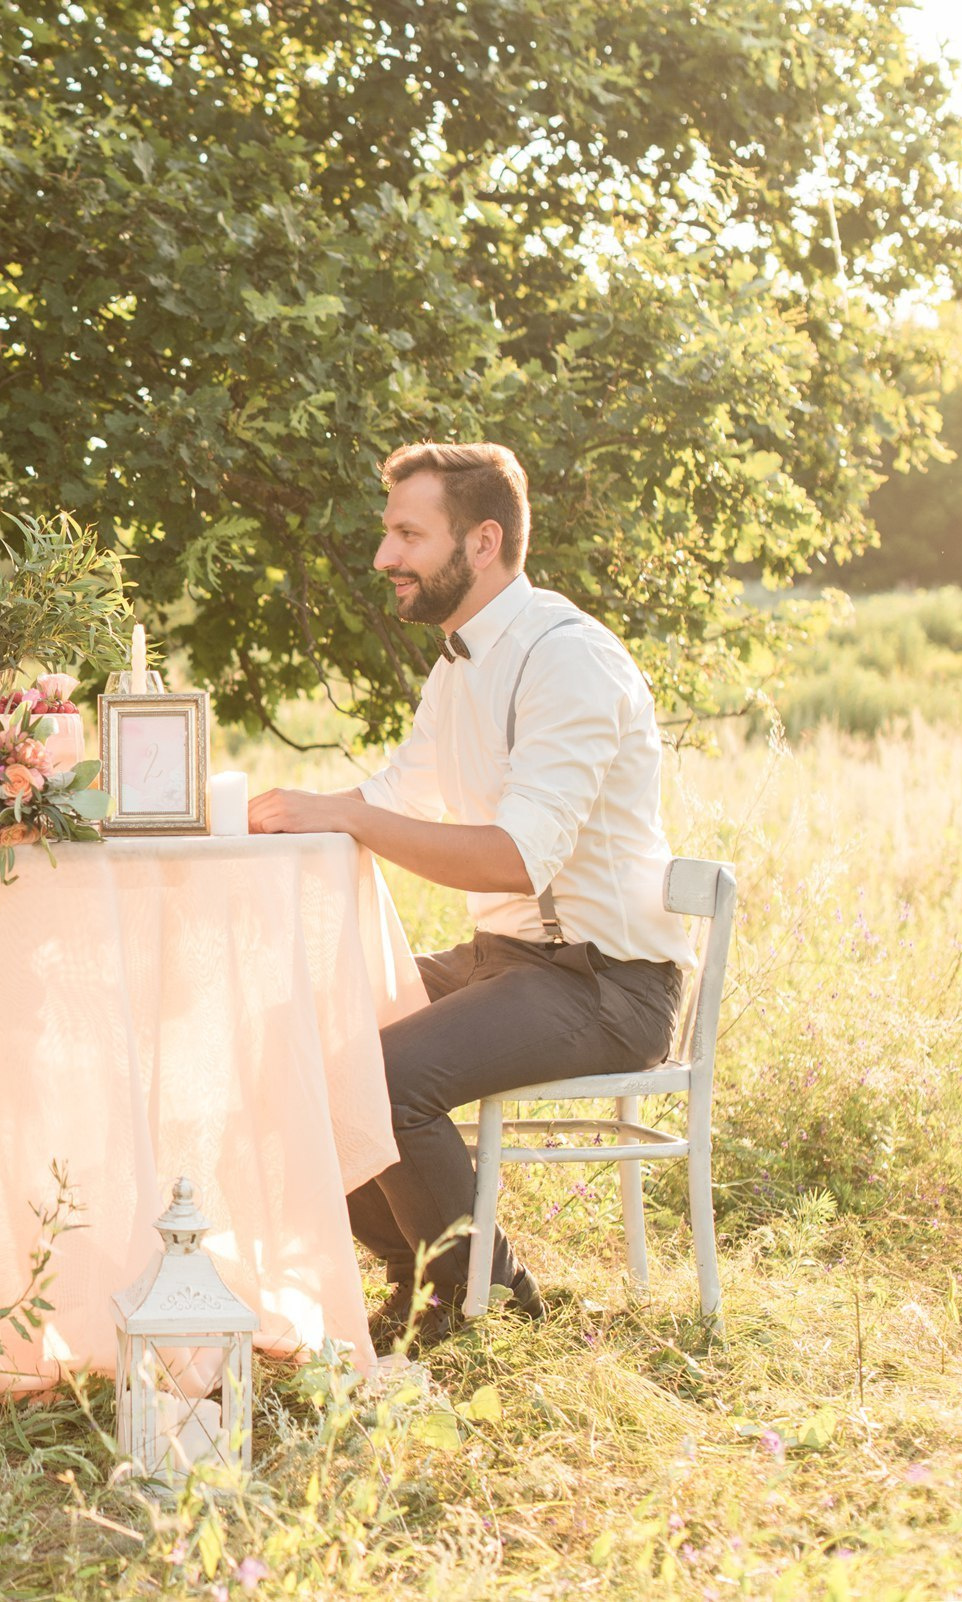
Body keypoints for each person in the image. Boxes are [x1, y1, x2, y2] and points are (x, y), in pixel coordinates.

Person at [249, 443, 692, 1349]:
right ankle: (429, 1276)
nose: (384, 558)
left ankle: (482, 1305)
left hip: (605, 982)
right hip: (513, 965)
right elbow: (393, 795)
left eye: (408, 534)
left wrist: (348, 819)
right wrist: (253, 817)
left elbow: (515, 859)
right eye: (388, 534)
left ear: (483, 541)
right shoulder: (461, 664)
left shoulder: (568, 661)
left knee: (380, 1076)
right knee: (293, 1031)